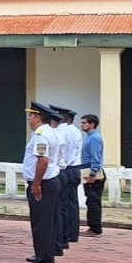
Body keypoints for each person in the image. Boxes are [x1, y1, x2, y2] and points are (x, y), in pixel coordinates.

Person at [22, 103, 62, 263]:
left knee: (41, 224)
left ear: (38, 117)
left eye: (31, 116)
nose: (29, 119)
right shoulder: (50, 132)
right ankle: (45, 256)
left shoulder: (41, 134)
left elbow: (43, 161)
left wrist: (36, 184)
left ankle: (43, 262)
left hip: (43, 182)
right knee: (47, 222)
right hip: (50, 180)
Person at [54, 106, 82, 251]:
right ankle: (72, 232)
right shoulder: (76, 131)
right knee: (72, 202)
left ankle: (64, 233)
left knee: (63, 204)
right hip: (75, 168)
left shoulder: (61, 131)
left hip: (66, 168)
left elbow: (60, 153)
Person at [80, 113, 105, 235]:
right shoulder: (90, 137)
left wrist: (92, 175)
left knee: (93, 201)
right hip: (88, 170)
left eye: (84, 123)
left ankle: (95, 228)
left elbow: (96, 158)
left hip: (93, 173)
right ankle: (92, 226)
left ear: (92, 124)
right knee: (90, 201)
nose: (82, 125)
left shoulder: (94, 138)